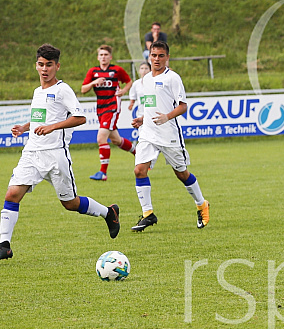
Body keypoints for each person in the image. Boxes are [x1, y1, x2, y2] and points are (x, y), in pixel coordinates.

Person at [0, 44, 120, 260]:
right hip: (32, 153)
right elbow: (41, 119)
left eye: (49, 65)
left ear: (57, 66)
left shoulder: (63, 90)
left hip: (55, 155)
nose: (44, 69)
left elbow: (80, 117)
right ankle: (4, 245)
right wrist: (25, 127)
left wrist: (52, 127)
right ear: (36, 65)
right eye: (40, 64)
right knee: (12, 195)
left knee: (70, 203)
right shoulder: (38, 92)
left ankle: (108, 212)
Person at [130, 41, 210, 231]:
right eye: (154, 55)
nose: (157, 59)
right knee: (139, 170)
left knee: (181, 173)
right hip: (148, 133)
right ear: (149, 56)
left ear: (167, 57)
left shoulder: (172, 78)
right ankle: (148, 214)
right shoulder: (145, 79)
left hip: (169, 135)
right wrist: (143, 118)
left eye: (161, 56)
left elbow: (183, 106)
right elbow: (152, 104)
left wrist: (167, 116)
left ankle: (201, 204)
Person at [81, 45, 136, 181]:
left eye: (106, 54)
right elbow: (83, 89)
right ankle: (138, 153)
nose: (103, 57)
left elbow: (129, 81)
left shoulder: (116, 70)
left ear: (110, 57)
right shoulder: (93, 72)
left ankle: (102, 173)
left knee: (101, 138)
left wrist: (123, 91)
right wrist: (94, 82)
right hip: (100, 107)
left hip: (113, 105)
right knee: (116, 140)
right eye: (101, 55)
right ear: (98, 57)